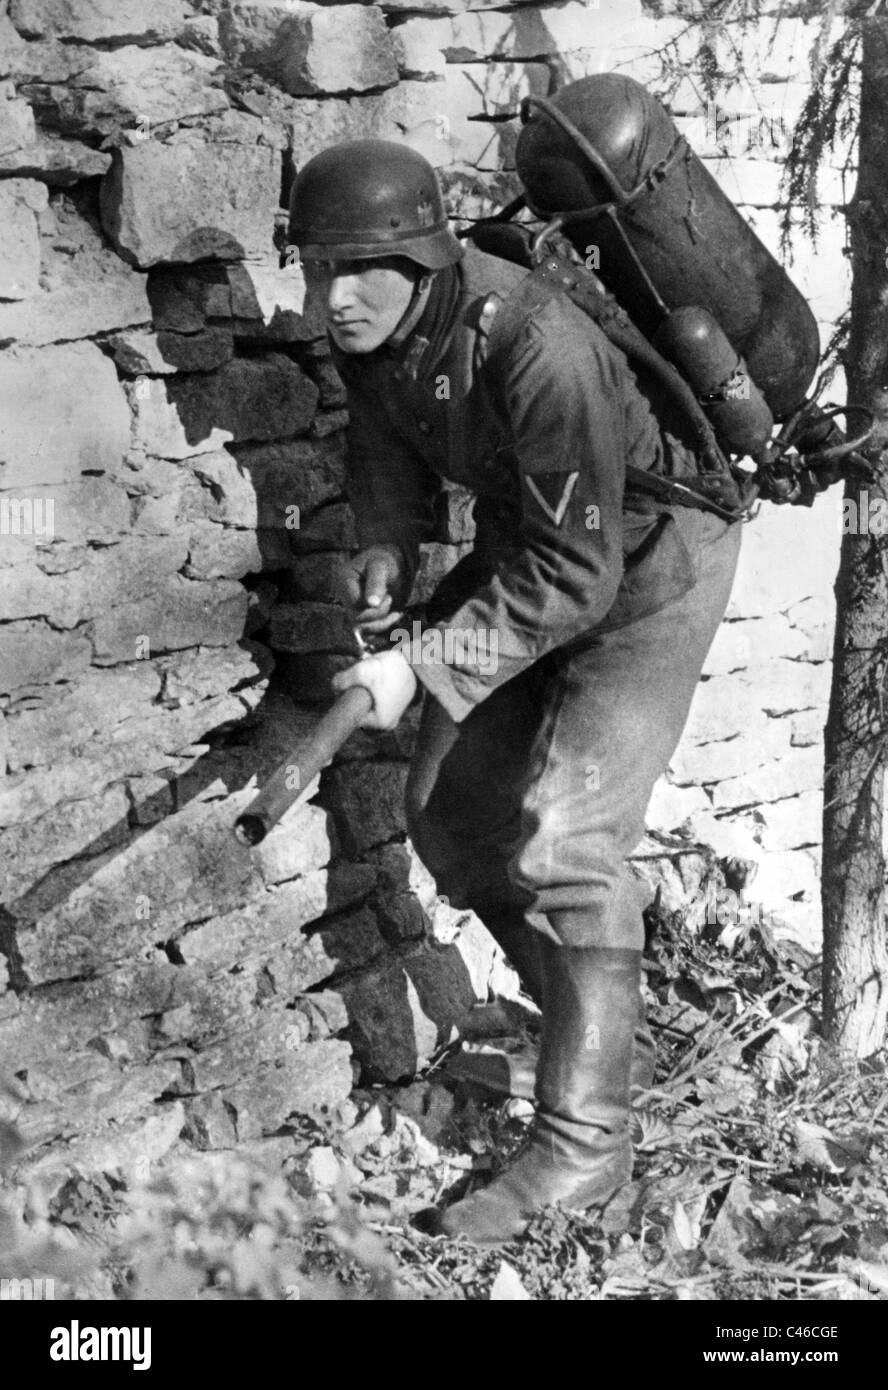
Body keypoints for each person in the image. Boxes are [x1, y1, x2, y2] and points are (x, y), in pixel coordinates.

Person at [288, 139, 741, 1246]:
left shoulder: (538, 345)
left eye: (362, 267)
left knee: (567, 841)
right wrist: (388, 553)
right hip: (541, 544)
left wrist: (421, 664)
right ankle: (604, 1033)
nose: (333, 296)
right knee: (450, 813)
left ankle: (587, 1148)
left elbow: (578, 580)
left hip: (649, 561)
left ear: (425, 256)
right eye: (316, 266)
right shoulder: (380, 331)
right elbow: (387, 450)